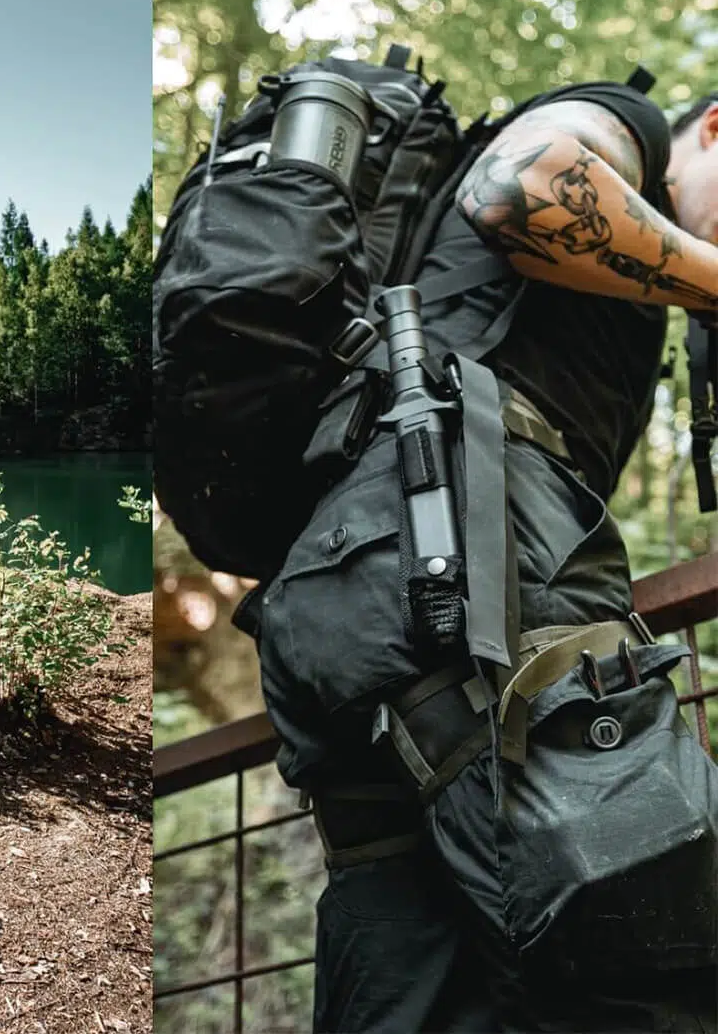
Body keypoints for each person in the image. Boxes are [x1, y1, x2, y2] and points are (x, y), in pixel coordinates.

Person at [252, 82, 718, 1033]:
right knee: (647, 946)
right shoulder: (623, 131)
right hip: (458, 535)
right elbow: (519, 187)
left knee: (421, 961)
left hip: (352, 583)